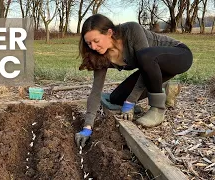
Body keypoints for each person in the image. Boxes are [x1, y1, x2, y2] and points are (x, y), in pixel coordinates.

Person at [75, 14, 193, 148]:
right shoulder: (100, 55)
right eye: (89, 43)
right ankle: (165, 88)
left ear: (109, 33)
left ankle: (157, 108)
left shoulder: (131, 31)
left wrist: (131, 101)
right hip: (152, 71)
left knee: (146, 56)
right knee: (116, 98)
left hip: (179, 56)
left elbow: (145, 65)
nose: (93, 47)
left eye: (96, 41)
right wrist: (87, 127)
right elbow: (96, 91)